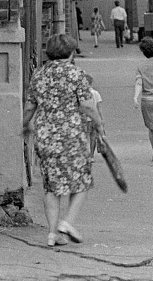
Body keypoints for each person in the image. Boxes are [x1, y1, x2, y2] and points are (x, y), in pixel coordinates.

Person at [22, 34, 104, 247]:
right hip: (70, 135)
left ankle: (52, 234)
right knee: (82, 182)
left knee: (51, 187)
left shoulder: (39, 75)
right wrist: (99, 123)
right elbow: (87, 105)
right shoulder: (76, 74)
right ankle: (67, 223)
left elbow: (30, 105)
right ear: (70, 52)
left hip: (45, 135)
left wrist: (25, 124)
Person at [84, 74, 104, 158]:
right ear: (91, 83)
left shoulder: (83, 94)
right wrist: (101, 119)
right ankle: (91, 155)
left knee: (85, 137)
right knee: (93, 137)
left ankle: (85, 153)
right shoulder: (96, 93)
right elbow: (99, 107)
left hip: (85, 118)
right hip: (94, 118)